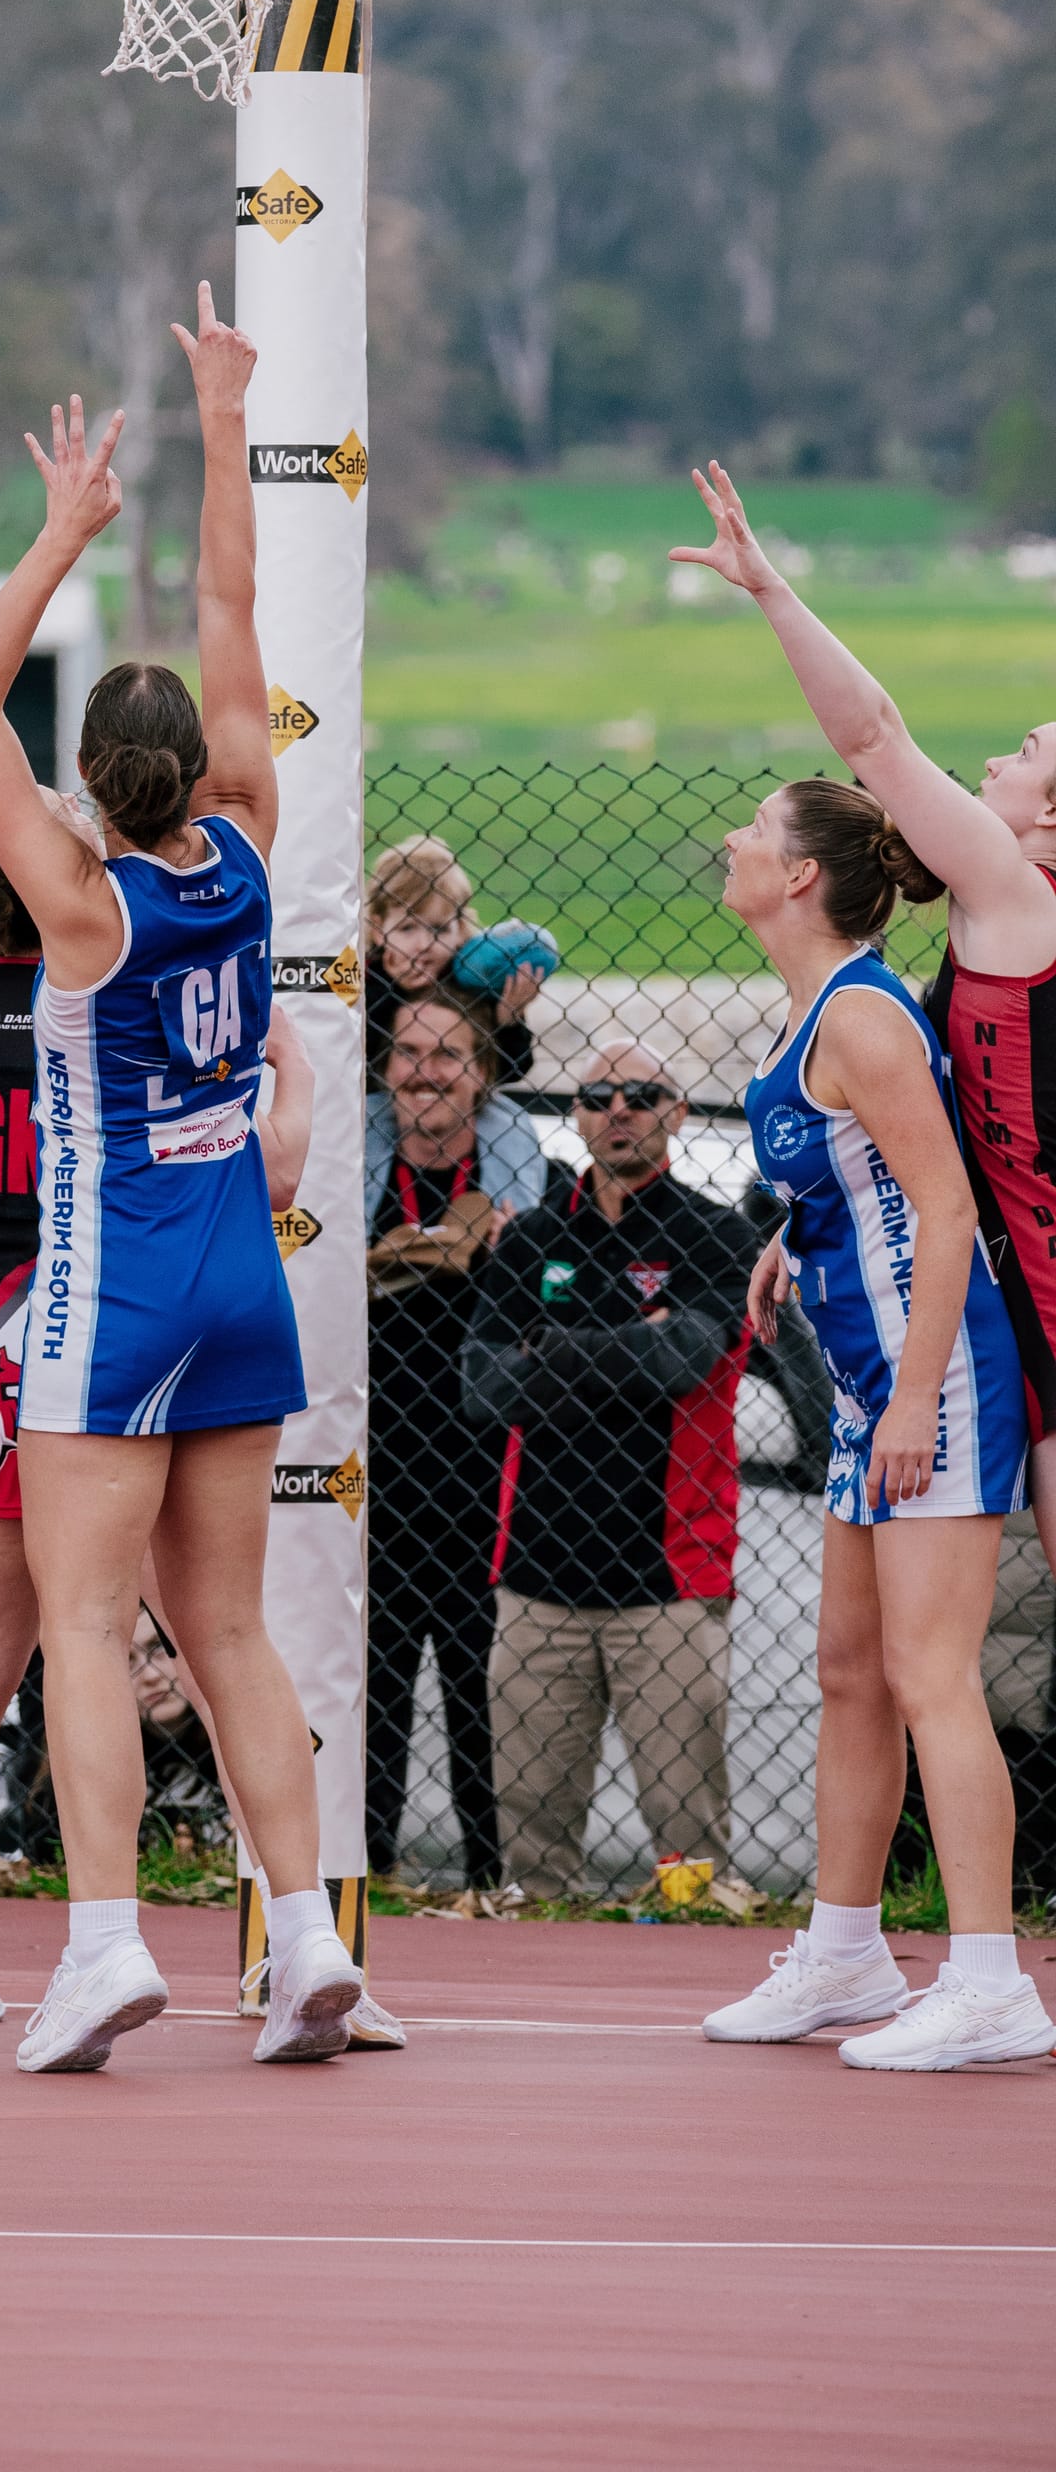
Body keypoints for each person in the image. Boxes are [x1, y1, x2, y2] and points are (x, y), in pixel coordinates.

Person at [0, 281, 362, 2075]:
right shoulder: (249, 843)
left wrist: (62, 529)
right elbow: (232, 611)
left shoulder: (78, 906)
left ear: (88, 790)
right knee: (236, 1629)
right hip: (241, 1270)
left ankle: (106, 1945)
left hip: (111, 1287)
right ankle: (310, 1933)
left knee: (87, 1630)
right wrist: (222, 418)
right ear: (195, 767)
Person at [0, 818, 405, 2040]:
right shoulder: (119, 979)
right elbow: (257, 1170)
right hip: (116, 1317)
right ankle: (296, 1932)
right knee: (216, 1641)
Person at [697, 781, 1055, 2068]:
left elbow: (945, 1207)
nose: (732, 841)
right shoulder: (819, 1008)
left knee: (927, 1675)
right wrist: (793, 1243)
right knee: (848, 1672)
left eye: (755, 830)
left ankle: (988, 1982)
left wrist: (911, 1398)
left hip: (933, 1379)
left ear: (799, 877)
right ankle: (843, 1954)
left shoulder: (861, 1015)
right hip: (869, 1379)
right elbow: (860, 1182)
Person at [673, 462, 1056, 1572]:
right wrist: (802, 1226)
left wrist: (769, 589)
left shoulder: (1020, 901)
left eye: (1028, 755)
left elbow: (876, 740)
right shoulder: (999, 916)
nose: (995, 757)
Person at [462, 1041, 758, 1901]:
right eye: (596, 1095)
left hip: (668, 1579)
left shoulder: (717, 1237)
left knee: (689, 1853)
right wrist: (630, 1344)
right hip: (535, 1579)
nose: (617, 1109)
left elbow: (685, 1360)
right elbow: (483, 1387)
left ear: (679, 1113)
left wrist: (549, 1350)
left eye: (641, 1094)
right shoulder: (533, 1237)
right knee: (534, 1856)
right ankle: (537, 1945)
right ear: (578, 1114)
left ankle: (689, 1933)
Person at [363, 985, 547, 1888]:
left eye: (447, 1055)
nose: (424, 1072)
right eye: (408, 1053)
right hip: (371, 1479)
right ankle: (365, 1870)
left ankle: (490, 1878)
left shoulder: (525, 1189)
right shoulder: (348, 1184)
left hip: (486, 1481)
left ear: (481, 1075)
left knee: (482, 1686)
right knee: (371, 1686)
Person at [365, 834, 549, 1095]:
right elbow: (359, 1060)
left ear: (460, 929)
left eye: (439, 929)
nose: (424, 944)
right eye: (407, 928)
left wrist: (507, 1022)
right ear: (378, 929)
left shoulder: (471, 983)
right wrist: (394, 990)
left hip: (454, 1106)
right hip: (380, 1103)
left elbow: (514, 1069)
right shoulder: (366, 978)